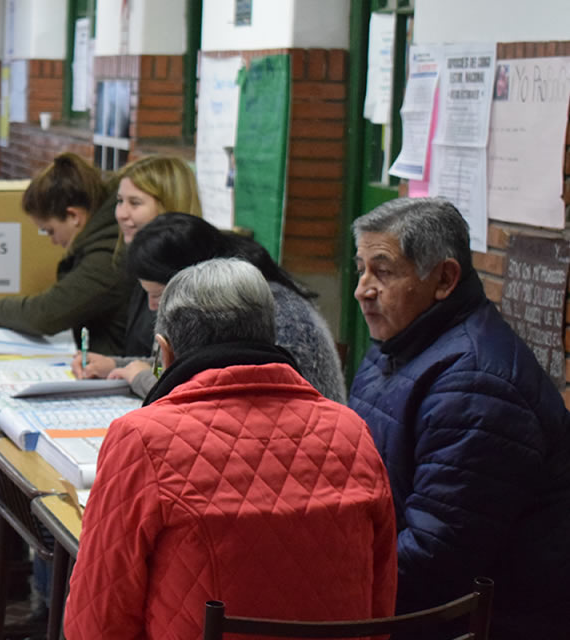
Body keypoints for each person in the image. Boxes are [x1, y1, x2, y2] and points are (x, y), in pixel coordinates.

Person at [65, 258, 396, 640]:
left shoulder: (142, 438)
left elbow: (96, 623)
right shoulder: (350, 429)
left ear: (165, 352)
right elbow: (380, 598)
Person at [349, 197, 570, 639]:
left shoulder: (477, 385)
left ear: (444, 279)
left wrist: (334, 583)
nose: (362, 289)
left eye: (384, 271)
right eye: (361, 269)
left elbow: (436, 557)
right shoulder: (402, 341)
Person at [109, 214, 346, 402]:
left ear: (190, 274)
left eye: (159, 295)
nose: (153, 307)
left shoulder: (247, 308)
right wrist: (117, 366)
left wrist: (139, 377)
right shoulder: (219, 296)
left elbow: (213, 394)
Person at [0, 153, 131, 354]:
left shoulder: (108, 256)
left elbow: (45, 314)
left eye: (50, 230)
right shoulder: (105, 238)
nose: (54, 241)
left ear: (73, 216)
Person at [72, 154, 204, 374]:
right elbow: (155, 360)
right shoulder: (140, 265)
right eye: (120, 201)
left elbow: (184, 373)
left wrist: (138, 376)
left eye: (135, 203)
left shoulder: (197, 281)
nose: (121, 214)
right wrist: (114, 365)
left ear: (169, 206)